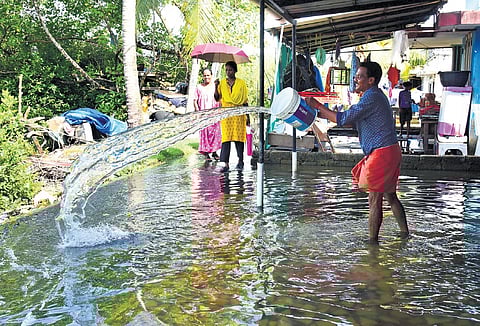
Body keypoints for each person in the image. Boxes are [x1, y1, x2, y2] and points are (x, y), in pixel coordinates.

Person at [306, 61, 409, 244]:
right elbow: (349, 120)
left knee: (374, 197)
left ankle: (372, 244)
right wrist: (321, 112)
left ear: (371, 80)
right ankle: (404, 234)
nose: (356, 79)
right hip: (390, 150)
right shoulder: (374, 96)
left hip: (382, 152)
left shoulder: (371, 97)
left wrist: (317, 105)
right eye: (356, 76)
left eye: (360, 76)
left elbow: (344, 118)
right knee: (390, 195)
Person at [214, 61, 249, 172]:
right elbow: (216, 98)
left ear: (235, 71)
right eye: (227, 70)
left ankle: (240, 160)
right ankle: (226, 163)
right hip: (227, 115)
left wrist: (248, 116)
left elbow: (245, 101)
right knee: (226, 139)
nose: (228, 72)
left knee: (239, 139)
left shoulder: (241, 83)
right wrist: (215, 86)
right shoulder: (222, 83)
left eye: (230, 70)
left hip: (238, 114)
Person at [193, 68, 221, 160]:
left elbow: (219, 98)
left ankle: (214, 152)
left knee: (214, 133)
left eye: (208, 75)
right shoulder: (199, 87)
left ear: (211, 76)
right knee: (204, 133)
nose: (206, 77)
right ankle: (206, 153)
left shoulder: (215, 86)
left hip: (214, 113)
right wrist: (198, 112)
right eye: (205, 75)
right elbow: (195, 100)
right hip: (203, 114)